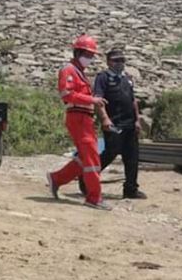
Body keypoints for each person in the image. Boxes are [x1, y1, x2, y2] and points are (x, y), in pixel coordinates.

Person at [46, 34, 111, 211]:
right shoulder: (69, 70)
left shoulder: (79, 72)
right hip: (77, 117)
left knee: (85, 158)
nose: (89, 58)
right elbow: (66, 94)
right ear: (78, 52)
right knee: (92, 159)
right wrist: (92, 100)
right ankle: (94, 197)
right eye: (87, 54)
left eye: (91, 55)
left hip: (84, 118)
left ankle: (56, 179)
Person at [90, 49, 147, 199]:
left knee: (132, 157)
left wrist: (137, 120)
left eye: (122, 60)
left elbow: (133, 100)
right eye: (116, 60)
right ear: (109, 62)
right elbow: (98, 101)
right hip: (114, 123)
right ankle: (87, 180)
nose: (120, 63)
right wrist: (105, 119)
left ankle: (130, 189)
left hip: (129, 124)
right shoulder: (102, 78)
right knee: (110, 153)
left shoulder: (126, 78)